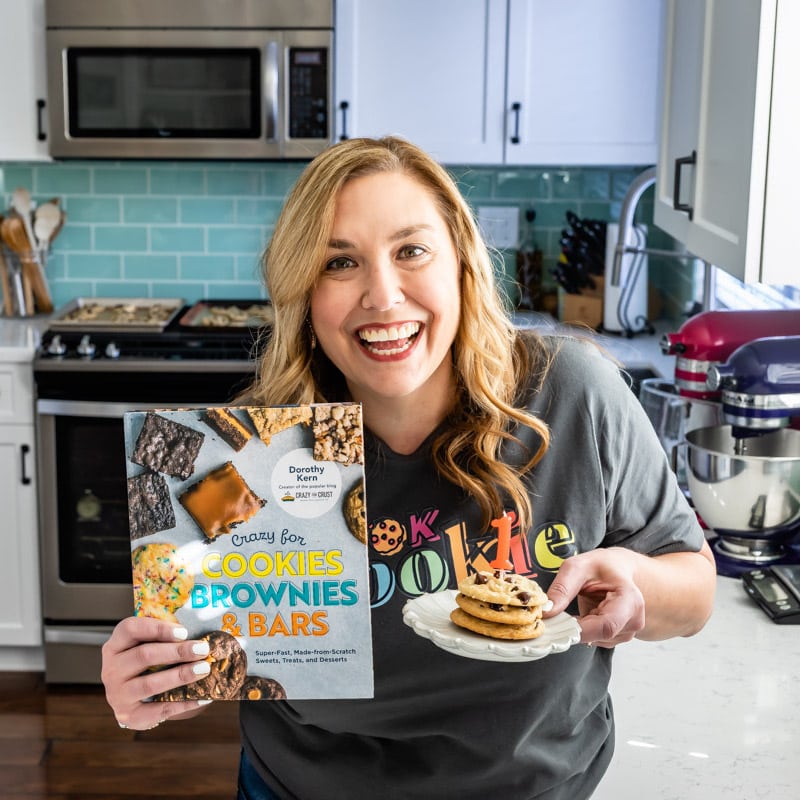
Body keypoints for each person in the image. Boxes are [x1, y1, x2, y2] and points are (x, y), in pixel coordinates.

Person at [102, 136, 716, 799]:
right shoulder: (251, 451)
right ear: (305, 293)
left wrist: (637, 584)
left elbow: (693, 588)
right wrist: (154, 675)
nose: (383, 295)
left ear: (460, 262)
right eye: (340, 262)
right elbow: (197, 637)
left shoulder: (573, 393)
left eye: (411, 251)